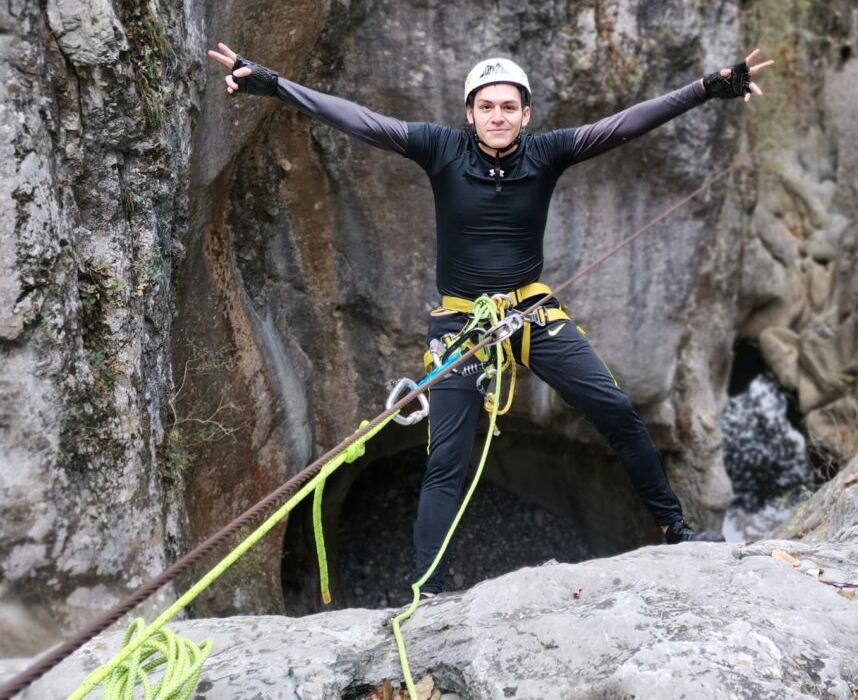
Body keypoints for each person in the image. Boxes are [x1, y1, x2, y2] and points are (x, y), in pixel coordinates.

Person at [207, 43, 773, 596]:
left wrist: (707, 89)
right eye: (486, 106)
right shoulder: (440, 148)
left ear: (525, 115)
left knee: (618, 411)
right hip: (460, 325)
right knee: (447, 457)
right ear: (469, 112)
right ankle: (428, 590)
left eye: (508, 107)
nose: (497, 116)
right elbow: (359, 120)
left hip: (532, 312)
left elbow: (625, 124)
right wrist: (271, 83)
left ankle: (674, 529)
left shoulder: (546, 152)